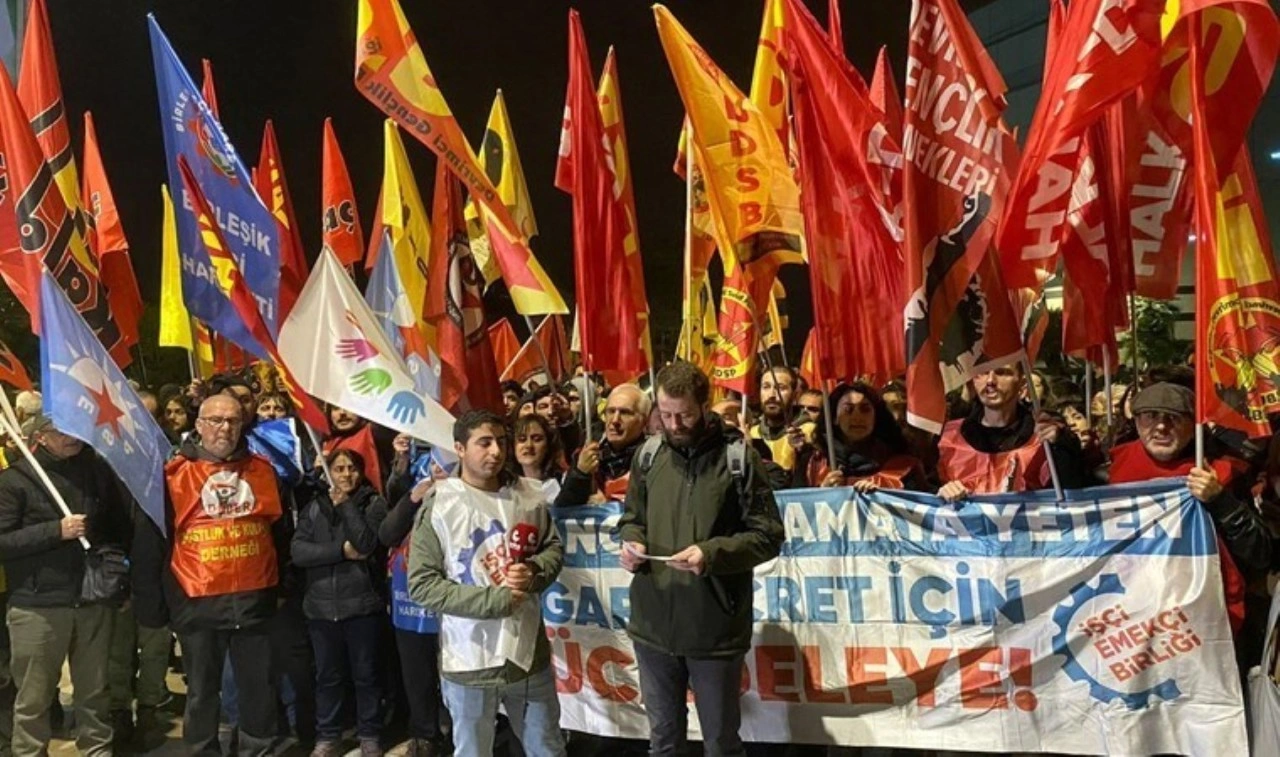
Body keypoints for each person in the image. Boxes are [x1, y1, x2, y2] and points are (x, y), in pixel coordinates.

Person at [618, 362, 784, 757]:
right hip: (653, 625)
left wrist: (710, 554)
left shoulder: (738, 459)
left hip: (714, 629)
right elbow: (632, 517)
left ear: (705, 407)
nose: (674, 424)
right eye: (666, 414)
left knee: (721, 744)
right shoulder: (648, 455)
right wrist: (632, 540)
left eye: (685, 415)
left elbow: (768, 536)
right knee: (663, 743)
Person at [132, 394, 290, 757]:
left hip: (253, 601)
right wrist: (153, 606)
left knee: (259, 689)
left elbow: (281, 535)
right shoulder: (172, 475)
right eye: (216, 420)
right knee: (202, 692)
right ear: (199, 425)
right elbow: (150, 544)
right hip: (196, 603)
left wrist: (284, 587)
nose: (225, 428)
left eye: (233, 420)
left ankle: (258, 750)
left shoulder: (262, 471)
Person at [407, 410, 566, 757]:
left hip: (527, 653)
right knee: (473, 751)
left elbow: (553, 548)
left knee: (548, 747)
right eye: (484, 443)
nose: (496, 451)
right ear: (460, 448)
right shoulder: (441, 504)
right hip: (469, 659)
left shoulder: (527, 495)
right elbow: (422, 584)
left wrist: (536, 571)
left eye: (501, 442)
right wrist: (494, 601)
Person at [0, 414, 129, 757]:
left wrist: (119, 579)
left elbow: (117, 527)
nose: (72, 436)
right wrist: (55, 531)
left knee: (94, 692)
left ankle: (97, 750)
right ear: (40, 437)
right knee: (34, 698)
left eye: (75, 428)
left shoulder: (96, 472)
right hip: (37, 605)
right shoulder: (15, 480)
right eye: (61, 431)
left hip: (92, 598)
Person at [1105, 383, 1271, 632]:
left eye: (1174, 418)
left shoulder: (1222, 474)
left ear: (1193, 426)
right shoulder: (1109, 475)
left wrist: (1220, 500)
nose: (1161, 427)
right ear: (1136, 421)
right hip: (1131, 618)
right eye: (1151, 416)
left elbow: (1259, 554)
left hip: (1204, 619)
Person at [292, 449, 389, 757]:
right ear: (327, 472)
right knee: (327, 678)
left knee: (366, 676)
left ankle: (370, 734)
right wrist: (340, 551)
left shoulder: (373, 503)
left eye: (352, 468)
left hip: (361, 606)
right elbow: (298, 552)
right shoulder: (313, 508)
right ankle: (328, 736)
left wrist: (346, 505)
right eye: (339, 468)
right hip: (321, 609)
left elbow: (366, 543)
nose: (346, 474)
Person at [937, 363, 1086, 501]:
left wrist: (1063, 446)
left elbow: (1072, 500)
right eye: (982, 372)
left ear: (1022, 383)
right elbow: (927, 498)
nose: (990, 380)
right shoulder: (949, 437)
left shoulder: (1045, 437)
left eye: (1002, 372)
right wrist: (939, 495)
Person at [379, 474, 446, 757]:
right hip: (409, 601)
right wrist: (413, 498)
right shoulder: (418, 487)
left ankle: (460, 735)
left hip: (451, 601)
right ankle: (424, 736)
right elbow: (387, 534)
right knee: (417, 675)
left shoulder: (469, 491)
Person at [793, 383, 926, 491]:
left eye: (865, 409)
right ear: (834, 418)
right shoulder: (812, 465)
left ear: (876, 416)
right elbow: (794, 511)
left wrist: (882, 499)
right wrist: (822, 494)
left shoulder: (903, 467)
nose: (857, 417)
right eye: (848, 410)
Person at [556, 384, 650, 505]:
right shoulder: (588, 454)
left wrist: (610, 506)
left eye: (625, 413)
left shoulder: (653, 459)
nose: (615, 420)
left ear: (644, 421)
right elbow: (563, 508)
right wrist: (580, 474)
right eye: (610, 411)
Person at [749, 366, 813, 473]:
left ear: (795, 395)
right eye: (766, 387)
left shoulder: (809, 432)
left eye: (781, 388)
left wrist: (803, 451)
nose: (772, 395)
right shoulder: (752, 433)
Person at [509, 415, 566, 497]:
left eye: (537, 439)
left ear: (548, 445)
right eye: (522, 440)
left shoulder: (563, 483)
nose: (529, 445)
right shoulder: (507, 486)